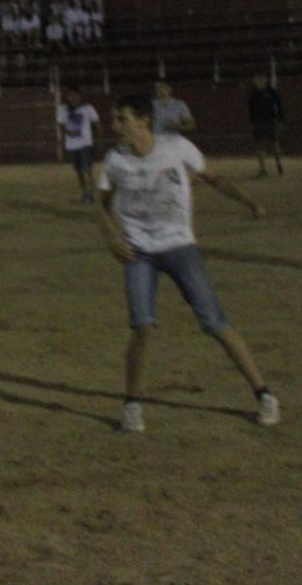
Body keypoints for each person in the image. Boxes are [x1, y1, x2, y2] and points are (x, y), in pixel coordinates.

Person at [96, 93, 280, 433]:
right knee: (141, 326)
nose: (115, 126)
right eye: (115, 119)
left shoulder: (176, 147)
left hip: (179, 246)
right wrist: (111, 237)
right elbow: (102, 203)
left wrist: (248, 201)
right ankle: (132, 404)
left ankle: (264, 393)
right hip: (138, 251)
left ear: (143, 121)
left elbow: (214, 177)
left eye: (122, 119)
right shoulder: (115, 160)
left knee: (215, 322)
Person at [57, 85, 101, 203]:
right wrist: (67, 132)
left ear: (78, 95)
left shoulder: (88, 108)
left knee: (87, 170)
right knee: (78, 171)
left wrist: (98, 141)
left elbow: (97, 124)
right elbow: (60, 125)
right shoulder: (63, 109)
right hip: (72, 145)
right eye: (69, 95)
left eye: (73, 95)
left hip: (85, 143)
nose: (71, 97)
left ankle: (91, 195)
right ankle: (84, 193)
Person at [248, 73, 285, 176]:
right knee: (259, 145)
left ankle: (278, 164)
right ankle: (263, 169)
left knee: (273, 144)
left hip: (270, 121)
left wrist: (280, 119)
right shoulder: (253, 93)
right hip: (258, 122)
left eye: (260, 80)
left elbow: (279, 106)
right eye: (257, 81)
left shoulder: (271, 92)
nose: (258, 83)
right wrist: (252, 122)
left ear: (265, 81)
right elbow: (251, 110)